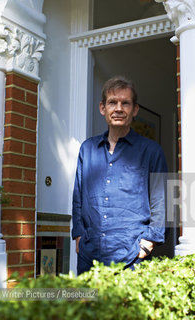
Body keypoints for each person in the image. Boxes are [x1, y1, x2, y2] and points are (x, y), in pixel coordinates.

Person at [71, 76, 167, 275]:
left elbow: (162, 199)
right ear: (102, 108)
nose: (118, 108)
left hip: (132, 258)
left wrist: (149, 241)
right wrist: (79, 235)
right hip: (90, 257)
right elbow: (78, 196)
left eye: (125, 103)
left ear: (134, 110)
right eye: (112, 102)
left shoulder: (151, 151)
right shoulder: (87, 149)